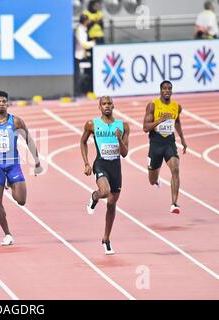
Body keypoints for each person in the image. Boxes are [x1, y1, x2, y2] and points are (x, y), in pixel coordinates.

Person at [0, 90, 43, 246]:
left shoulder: (16, 122)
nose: (1, 104)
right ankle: (7, 233)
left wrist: (37, 161)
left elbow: (29, 141)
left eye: (4, 101)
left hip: (13, 165)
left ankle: (9, 183)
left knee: (21, 200)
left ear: (7, 103)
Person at [80, 96, 130, 255]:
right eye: (104, 104)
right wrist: (87, 163)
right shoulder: (92, 124)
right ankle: (94, 196)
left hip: (115, 167)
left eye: (109, 104)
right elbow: (82, 142)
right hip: (101, 163)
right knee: (104, 191)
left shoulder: (123, 126)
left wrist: (119, 139)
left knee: (111, 204)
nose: (107, 106)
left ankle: (106, 239)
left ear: (113, 106)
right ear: (99, 107)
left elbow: (125, 154)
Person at [143, 80, 187, 214]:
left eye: (169, 89)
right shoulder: (153, 105)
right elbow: (145, 128)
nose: (167, 91)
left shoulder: (176, 107)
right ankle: (156, 180)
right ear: (160, 91)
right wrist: (160, 120)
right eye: (164, 89)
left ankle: (174, 204)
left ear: (171, 91)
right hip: (155, 144)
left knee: (175, 168)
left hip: (169, 143)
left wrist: (183, 140)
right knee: (151, 180)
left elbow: (177, 122)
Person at [74, 14, 96, 96]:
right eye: (88, 20)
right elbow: (83, 44)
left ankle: (83, 91)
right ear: (85, 21)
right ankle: (77, 92)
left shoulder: (83, 29)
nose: (89, 22)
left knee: (81, 74)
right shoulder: (80, 29)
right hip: (78, 55)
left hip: (82, 54)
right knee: (77, 75)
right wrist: (93, 43)